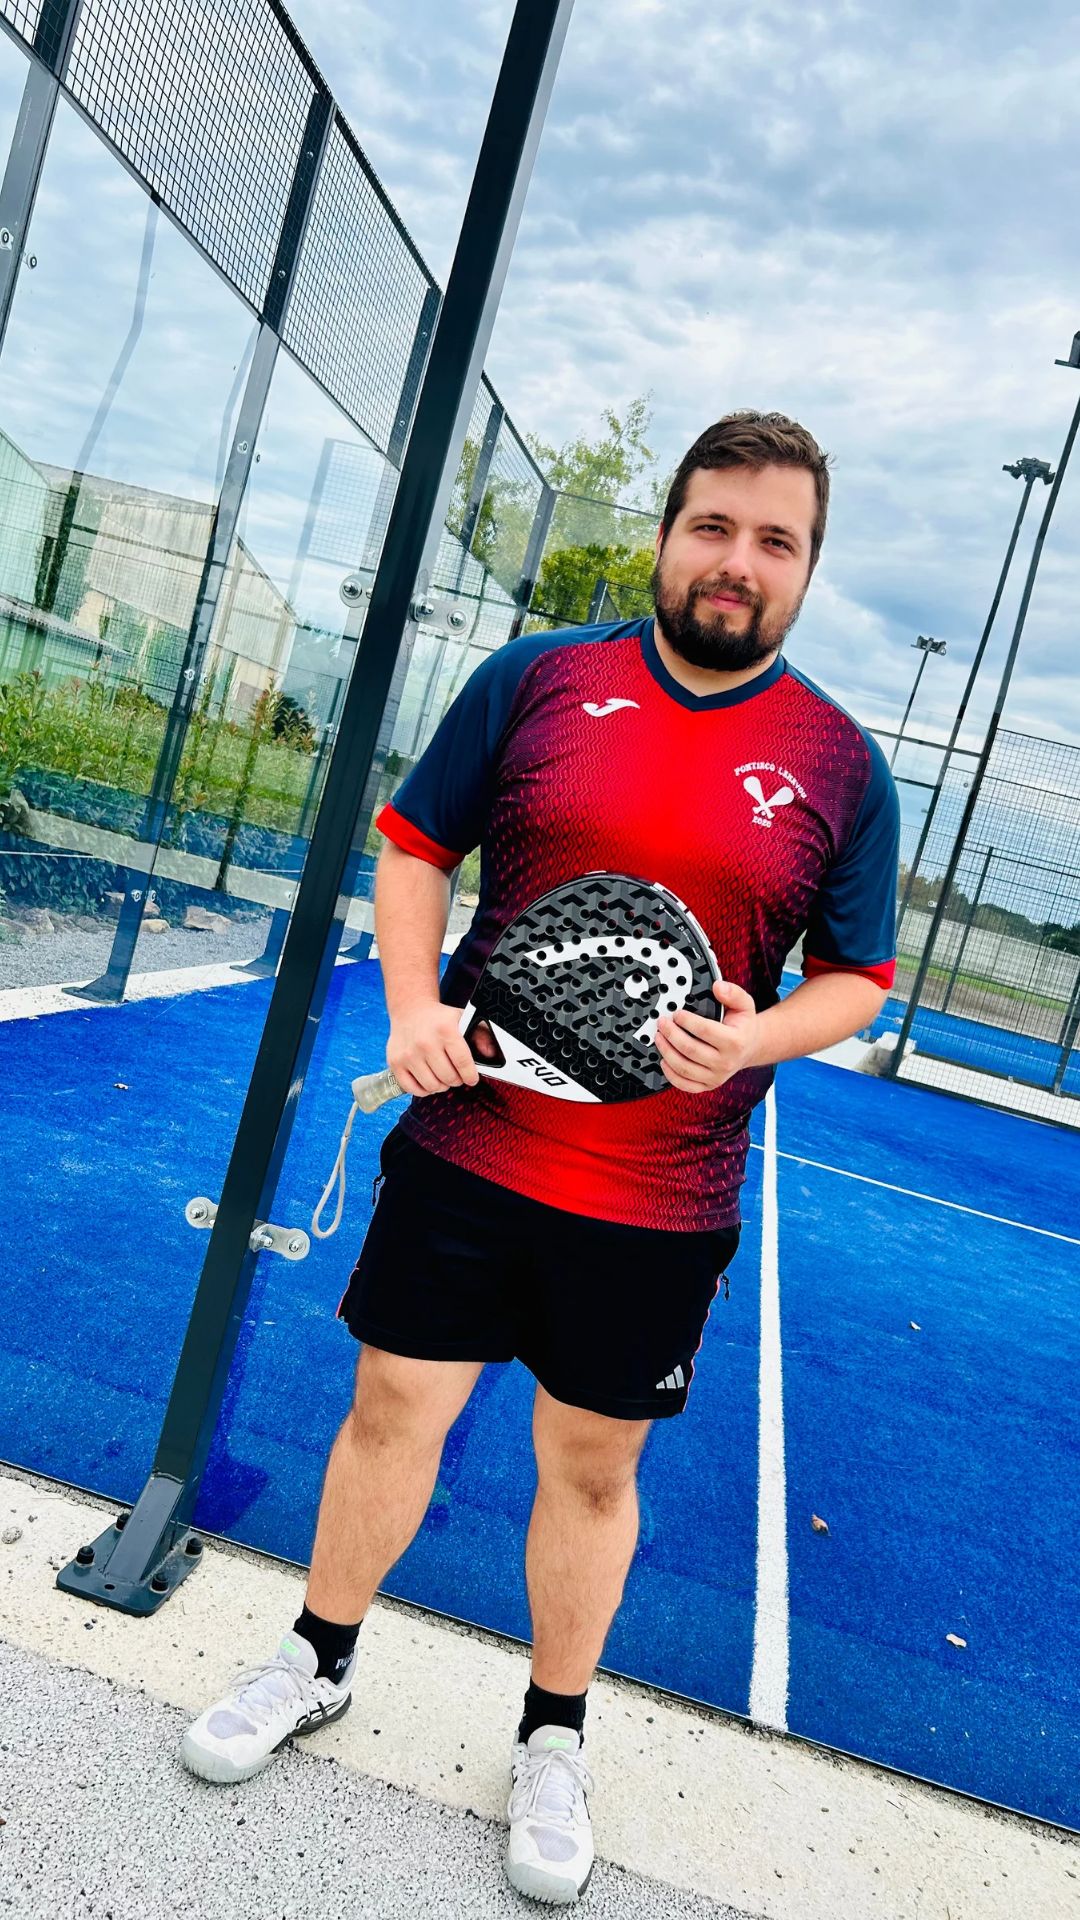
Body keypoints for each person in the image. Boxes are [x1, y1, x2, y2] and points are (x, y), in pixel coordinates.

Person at [181, 410, 899, 1905]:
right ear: (668, 535)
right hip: (469, 1148)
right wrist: (412, 1007)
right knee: (391, 1410)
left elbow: (858, 979)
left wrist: (757, 1040)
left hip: (660, 1202)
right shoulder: (536, 679)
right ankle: (316, 1658)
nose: (738, 561)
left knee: (590, 1470)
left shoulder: (841, 763)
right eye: (714, 526)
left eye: (774, 541)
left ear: (808, 568)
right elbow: (413, 846)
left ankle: (554, 1736)